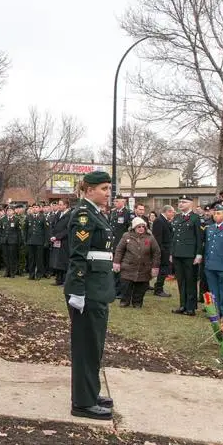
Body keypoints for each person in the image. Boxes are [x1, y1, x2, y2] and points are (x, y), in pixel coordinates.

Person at [65, 171, 116, 421]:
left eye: (109, 188)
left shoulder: (95, 212)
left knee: (94, 345)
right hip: (88, 290)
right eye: (104, 188)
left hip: (98, 287)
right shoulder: (84, 215)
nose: (108, 192)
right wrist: (77, 290)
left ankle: (90, 392)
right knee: (86, 346)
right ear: (88, 190)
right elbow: (78, 256)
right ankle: (82, 403)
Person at [113, 216, 160, 308]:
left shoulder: (150, 237)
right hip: (128, 266)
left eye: (143, 226)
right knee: (126, 286)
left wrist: (155, 266)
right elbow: (119, 250)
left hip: (144, 267)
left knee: (141, 286)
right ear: (134, 227)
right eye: (139, 227)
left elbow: (156, 252)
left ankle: (137, 302)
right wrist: (116, 262)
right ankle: (125, 301)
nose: (141, 228)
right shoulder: (126, 235)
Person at [171, 196, 204, 316]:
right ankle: (182, 305)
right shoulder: (177, 217)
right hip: (178, 253)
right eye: (179, 202)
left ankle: (190, 307)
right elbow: (174, 237)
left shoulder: (196, 218)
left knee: (190, 281)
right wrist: (172, 252)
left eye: (184, 202)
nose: (181, 204)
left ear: (191, 204)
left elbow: (200, 238)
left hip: (190, 254)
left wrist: (199, 254)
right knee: (181, 281)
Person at [150, 205, 174, 298]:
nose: (173, 214)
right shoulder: (159, 221)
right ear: (167, 211)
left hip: (166, 249)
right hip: (162, 250)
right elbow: (157, 238)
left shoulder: (164, 221)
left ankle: (159, 288)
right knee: (163, 270)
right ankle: (158, 289)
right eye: (172, 212)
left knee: (164, 270)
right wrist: (161, 252)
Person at [48, 198, 72, 285]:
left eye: (61, 204)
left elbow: (67, 229)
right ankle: (58, 279)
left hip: (64, 241)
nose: (59, 206)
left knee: (63, 260)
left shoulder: (70, 215)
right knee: (56, 260)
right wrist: (52, 236)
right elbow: (52, 225)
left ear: (65, 205)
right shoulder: (58, 213)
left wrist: (58, 237)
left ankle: (65, 280)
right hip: (56, 241)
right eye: (59, 204)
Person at [25, 203, 46, 280]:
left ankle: (39, 274)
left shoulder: (42, 217)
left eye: (36, 207)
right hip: (30, 241)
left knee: (39, 259)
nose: (35, 209)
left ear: (39, 208)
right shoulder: (28, 217)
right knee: (31, 259)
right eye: (33, 207)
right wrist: (26, 240)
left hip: (39, 242)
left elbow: (46, 231)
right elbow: (26, 230)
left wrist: (45, 241)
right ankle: (31, 274)